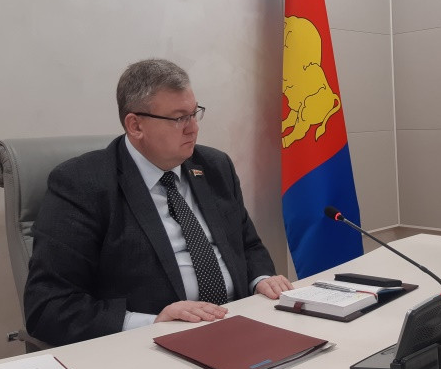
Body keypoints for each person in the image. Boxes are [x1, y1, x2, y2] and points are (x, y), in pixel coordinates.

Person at [24, 59, 292, 346]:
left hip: (239, 325)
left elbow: (247, 245)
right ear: (135, 125)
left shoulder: (215, 166)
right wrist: (152, 323)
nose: (193, 129)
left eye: (194, 113)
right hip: (153, 346)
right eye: (179, 119)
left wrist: (261, 278)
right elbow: (48, 307)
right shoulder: (82, 184)